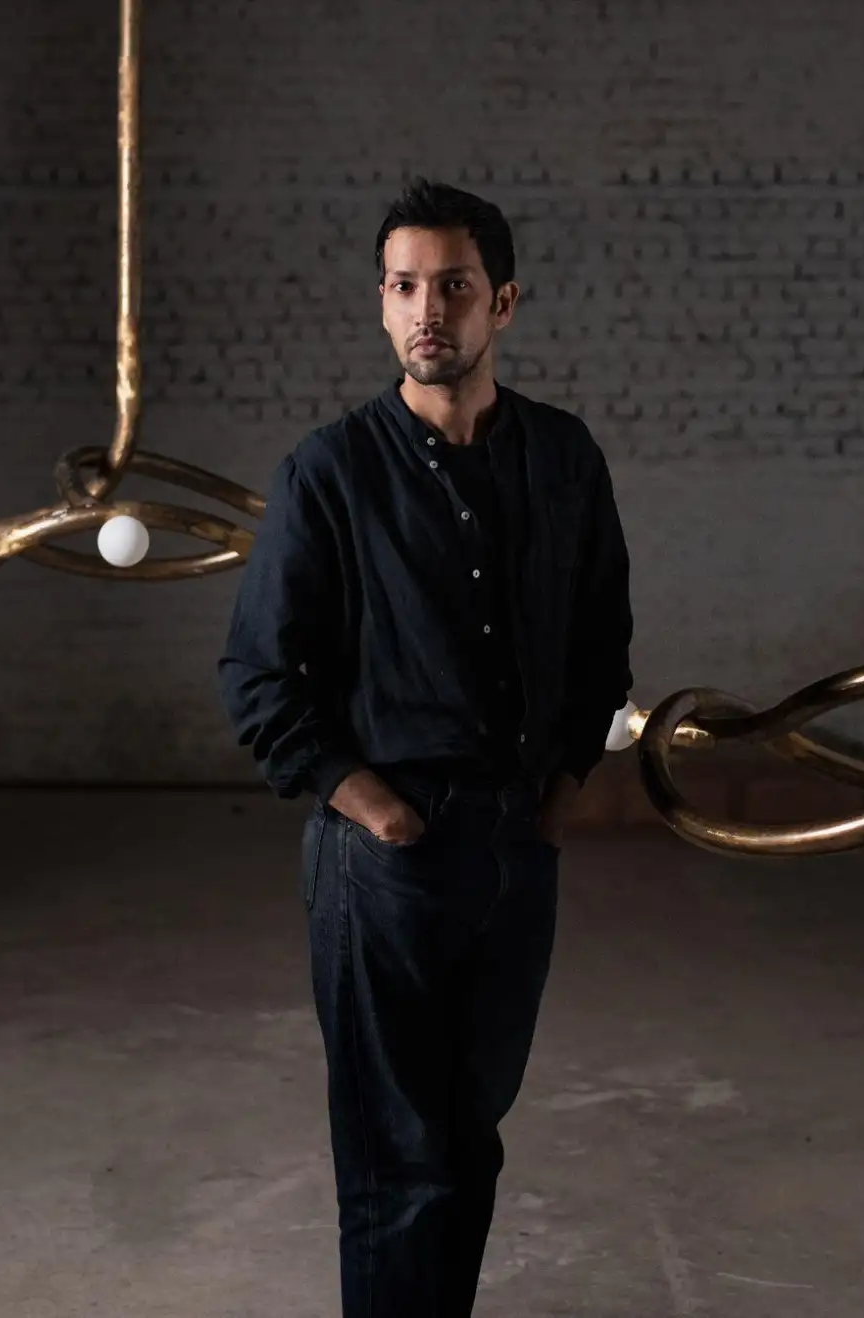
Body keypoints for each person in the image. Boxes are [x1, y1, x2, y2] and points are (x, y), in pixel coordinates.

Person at [218, 177, 633, 1318]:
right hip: (385, 860)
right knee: (396, 1163)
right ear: (382, 303)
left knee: (466, 1139)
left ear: (502, 301)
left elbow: (601, 642)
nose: (426, 310)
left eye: (452, 286)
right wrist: (377, 811)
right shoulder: (331, 471)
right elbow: (258, 674)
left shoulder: (563, 458)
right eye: (404, 286)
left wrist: (557, 798)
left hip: (515, 845)